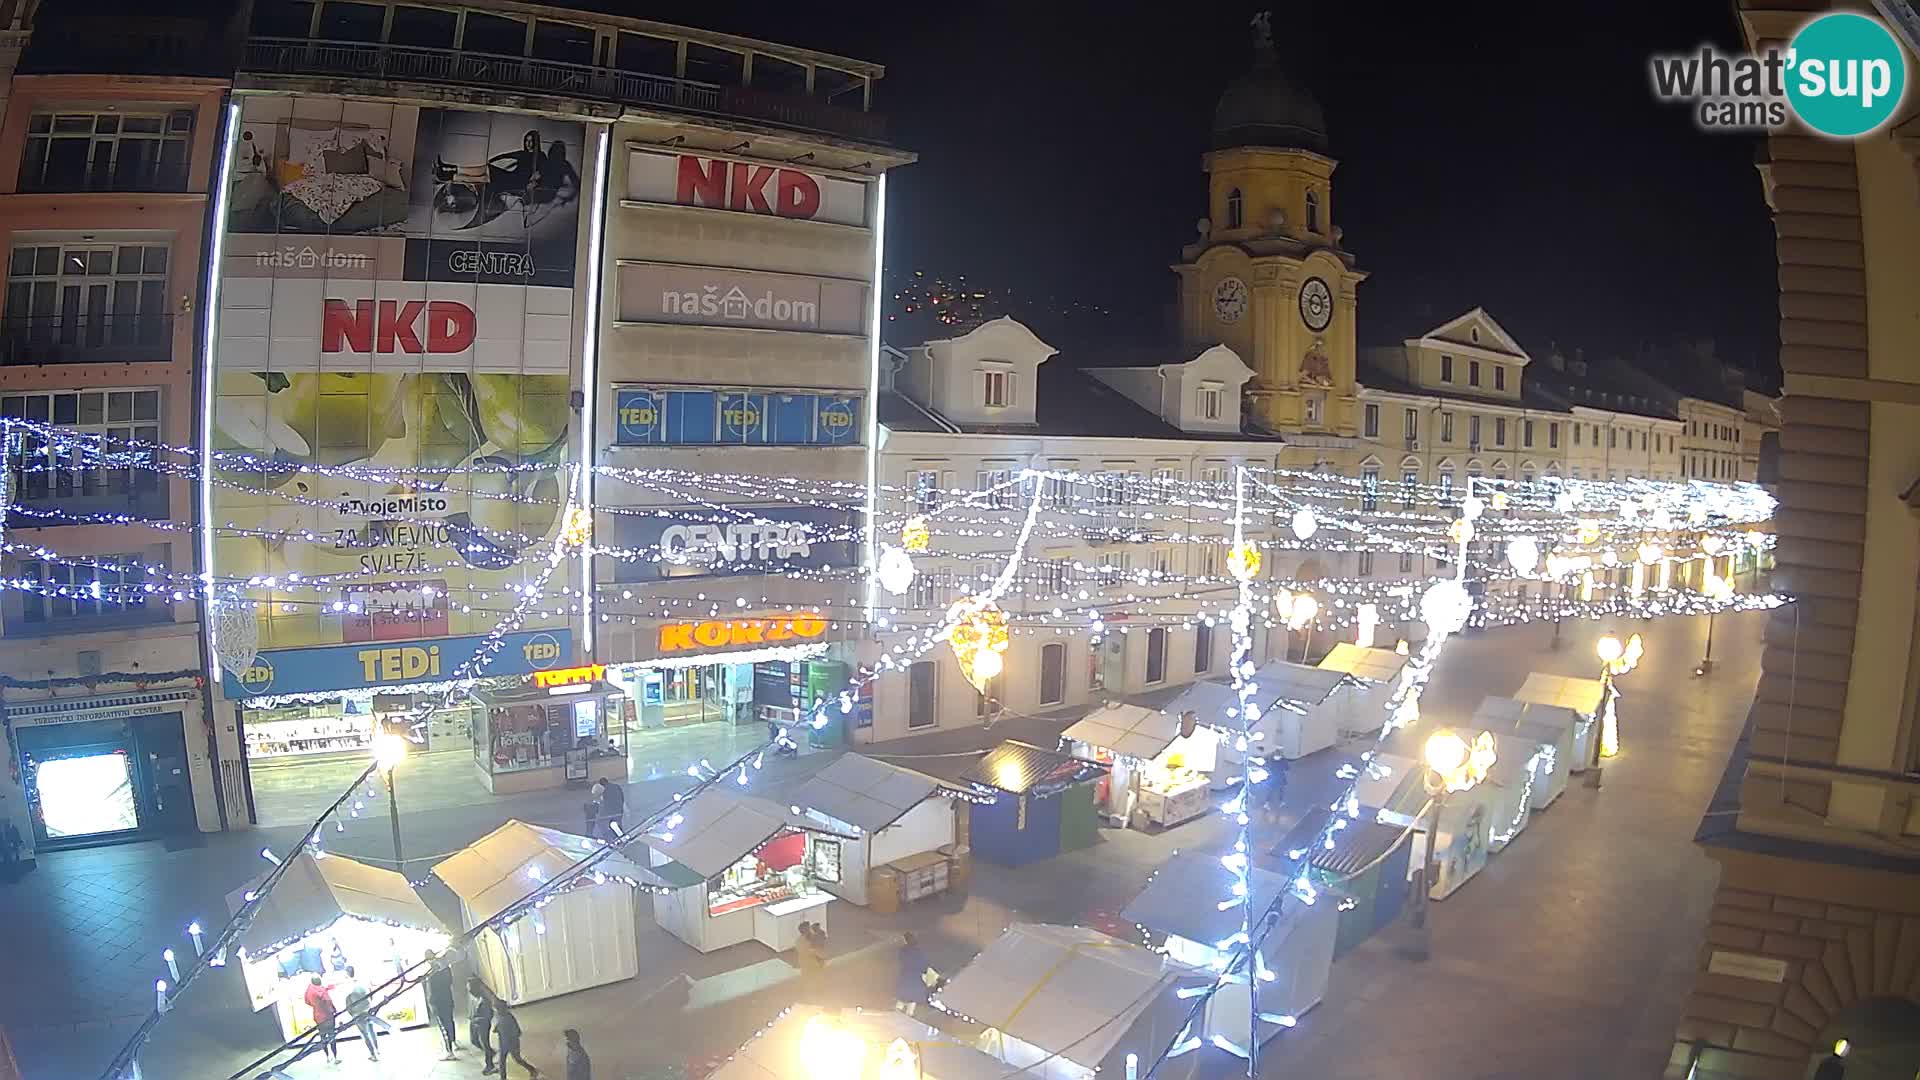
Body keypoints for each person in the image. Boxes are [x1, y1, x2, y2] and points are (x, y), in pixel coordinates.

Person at [341, 966, 384, 1061]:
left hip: (358, 1013)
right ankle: (377, 1050)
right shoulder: (362, 982)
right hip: (368, 1010)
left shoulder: (347, 986)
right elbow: (371, 994)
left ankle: (373, 1054)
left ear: (347, 973)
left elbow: (348, 1003)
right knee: (372, 1031)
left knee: (365, 1034)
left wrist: (351, 1014)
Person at [423, 950, 458, 1060]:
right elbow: (450, 982)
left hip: (438, 1002)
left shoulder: (431, 974)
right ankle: (453, 1042)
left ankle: (449, 1051)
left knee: (443, 1026)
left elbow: (431, 991)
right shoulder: (446, 969)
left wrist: (431, 1003)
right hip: (448, 999)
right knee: (450, 1021)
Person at [491, 1001, 539, 1078]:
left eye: (496, 1009)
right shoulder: (498, 1015)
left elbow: (517, 1032)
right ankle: (503, 1078)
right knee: (502, 1061)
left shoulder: (509, 1018)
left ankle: (532, 1070)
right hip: (503, 1043)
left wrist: (511, 1041)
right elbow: (498, 1025)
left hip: (512, 1043)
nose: (494, 1010)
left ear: (501, 1009)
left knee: (517, 1059)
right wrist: (497, 1029)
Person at [301, 975, 341, 1065]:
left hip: (318, 1017)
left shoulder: (310, 989)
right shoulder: (323, 993)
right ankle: (335, 1057)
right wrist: (334, 1010)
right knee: (332, 1037)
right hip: (328, 1018)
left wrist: (316, 1006)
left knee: (323, 1038)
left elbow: (306, 1001)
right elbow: (328, 1004)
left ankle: (327, 1057)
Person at [894, 932, 933, 1018]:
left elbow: (901, 962)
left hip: (906, 979)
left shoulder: (903, 951)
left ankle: (896, 1019)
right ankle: (907, 1019)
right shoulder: (920, 952)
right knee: (911, 1003)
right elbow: (925, 966)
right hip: (916, 981)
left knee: (902, 1001)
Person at [468, 976, 497, 1074]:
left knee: (485, 1043)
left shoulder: (485, 999)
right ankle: (490, 1052)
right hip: (474, 1022)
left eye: (470, 988)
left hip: (482, 1024)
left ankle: (490, 1065)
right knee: (474, 1041)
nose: (468, 990)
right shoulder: (473, 996)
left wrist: (477, 1019)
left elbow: (488, 1015)